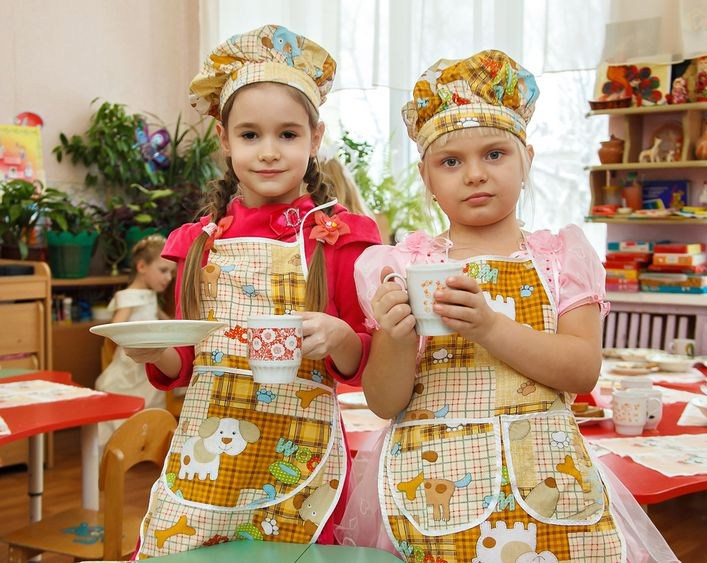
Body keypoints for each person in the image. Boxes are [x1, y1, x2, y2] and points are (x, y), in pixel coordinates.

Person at [340, 51, 678, 562]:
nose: (475, 174)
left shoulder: (559, 258)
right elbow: (385, 403)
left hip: (547, 477)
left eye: (494, 154)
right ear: (427, 177)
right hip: (432, 481)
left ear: (527, 160)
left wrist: (489, 327)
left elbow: (581, 370)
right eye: (451, 162)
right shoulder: (402, 266)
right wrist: (397, 334)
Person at [123, 25, 382, 557]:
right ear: (224, 139)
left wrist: (339, 337)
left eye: (287, 135)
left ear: (315, 138)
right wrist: (153, 352)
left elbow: (363, 362)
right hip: (207, 460)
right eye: (249, 135)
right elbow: (183, 364)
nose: (268, 152)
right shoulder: (198, 244)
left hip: (299, 458)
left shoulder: (338, 239)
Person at [94, 234, 174, 448]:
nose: (168, 278)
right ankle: (121, 443)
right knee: (116, 395)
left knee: (154, 395)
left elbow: (164, 319)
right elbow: (115, 326)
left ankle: (144, 443)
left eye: (171, 272)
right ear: (142, 266)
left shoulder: (150, 295)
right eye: (163, 270)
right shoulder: (129, 296)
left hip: (151, 359)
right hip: (132, 360)